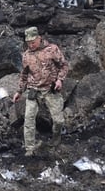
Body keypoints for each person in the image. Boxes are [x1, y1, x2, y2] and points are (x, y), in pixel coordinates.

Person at [12, 26, 69, 156]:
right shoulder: (26, 55)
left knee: (58, 120)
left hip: (50, 89)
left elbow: (64, 65)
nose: (31, 45)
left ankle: (55, 139)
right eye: (28, 43)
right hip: (33, 90)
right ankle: (30, 149)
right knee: (29, 120)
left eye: (33, 42)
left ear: (39, 38)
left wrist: (60, 80)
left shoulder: (52, 50)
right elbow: (24, 75)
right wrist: (19, 91)